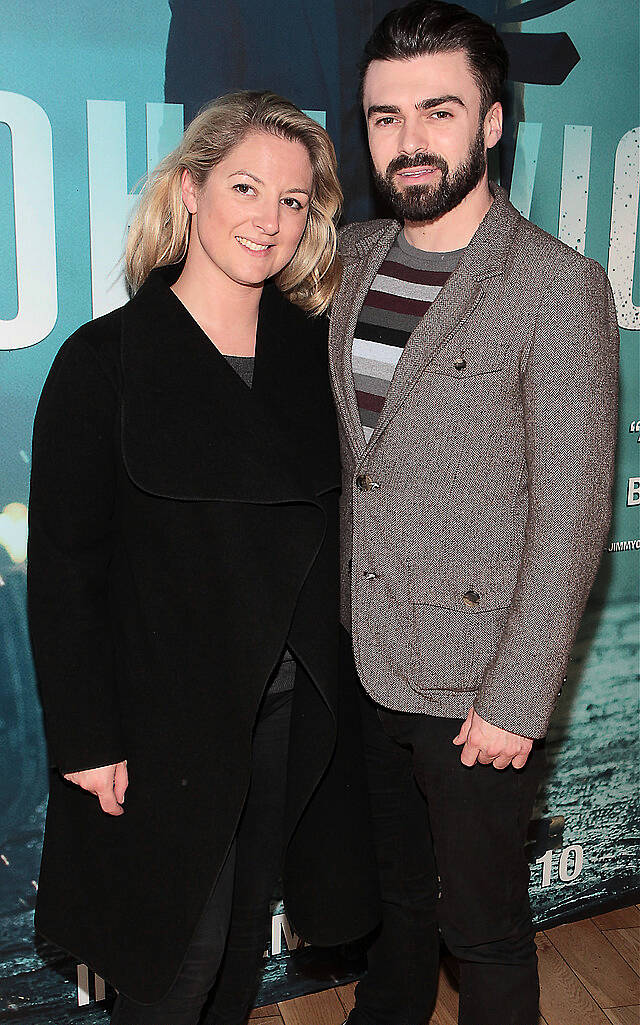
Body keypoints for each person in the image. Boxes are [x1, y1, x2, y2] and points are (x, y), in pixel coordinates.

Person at [27, 90, 379, 1025]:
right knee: (168, 967)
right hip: (159, 724)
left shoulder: (316, 358)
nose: (268, 219)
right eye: (245, 186)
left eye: (294, 200)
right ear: (191, 190)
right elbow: (66, 568)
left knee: (233, 963)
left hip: (286, 712)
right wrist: (90, 740)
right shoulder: (103, 362)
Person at [328, 4, 619, 1025]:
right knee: (397, 904)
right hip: (363, 654)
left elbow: (576, 512)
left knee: (485, 930)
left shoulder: (556, 285)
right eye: (383, 117)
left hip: (475, 689)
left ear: (491, 122)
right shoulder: (347, 259)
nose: (409, 141)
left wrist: (516, 695)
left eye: (438, 110)